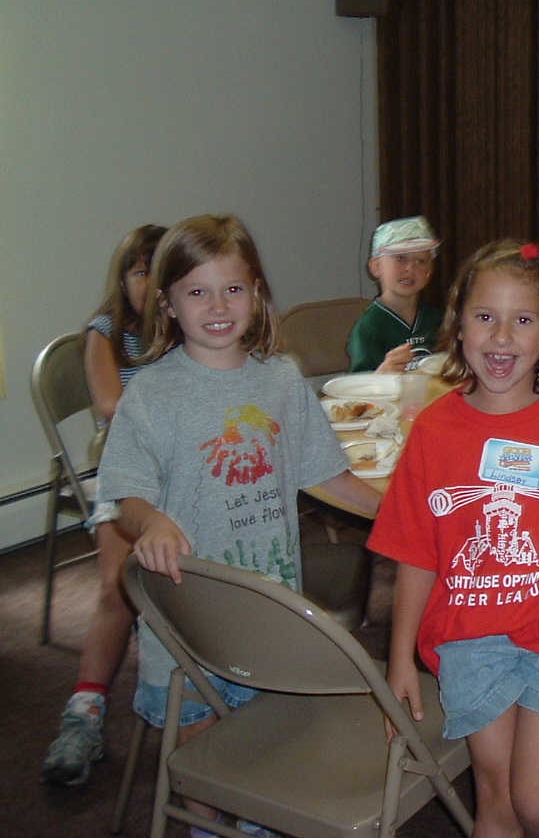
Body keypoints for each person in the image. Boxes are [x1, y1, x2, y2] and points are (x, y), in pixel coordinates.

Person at [98, 214, 383, 837]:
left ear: (256, 293)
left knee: (264, 745)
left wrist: (401, 516)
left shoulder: (280, 380)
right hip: (186, 617)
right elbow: (125, 493)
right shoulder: (152, 394)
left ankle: (256, 819)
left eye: (232, 288)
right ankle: (208, 826)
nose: (218, 306)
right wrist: (152, 520)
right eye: (197, 292)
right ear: (168, 304)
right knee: (203, 753)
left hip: (266, 614)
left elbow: (329, 476)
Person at [368, 239, 539, 838]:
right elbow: (416, 554)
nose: (501, 338)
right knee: (496, 805)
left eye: (522, 320)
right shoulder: (434, 432)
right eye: (485, 317)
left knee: (538, 804)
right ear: (458, 325)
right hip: (470, 637)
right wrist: (399, 660)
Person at [41, 223, 165, 787]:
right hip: (128, 472)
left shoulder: (187, 326)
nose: (150, 283)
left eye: (162, 272)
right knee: (117, 589)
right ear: (124, 279)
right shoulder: (107, 333)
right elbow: (113, 406)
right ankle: (84, 713)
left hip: (189, 471)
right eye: (140, 271)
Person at [347, 215, 444, 373]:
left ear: (429, 271)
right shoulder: (368, 329)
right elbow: (360, 383)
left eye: (420, 261)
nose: (410, 268)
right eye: (400, 258)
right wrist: (382, 374)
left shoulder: (437, 319)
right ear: (376, 267)